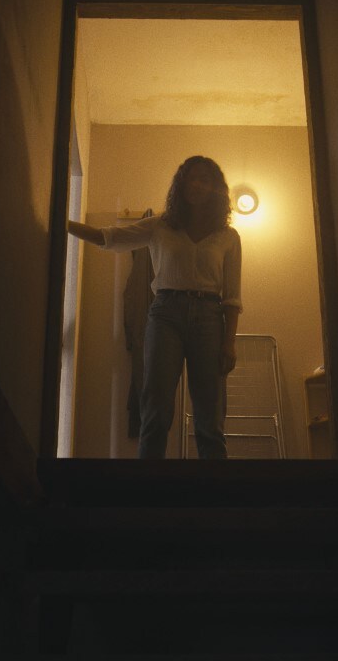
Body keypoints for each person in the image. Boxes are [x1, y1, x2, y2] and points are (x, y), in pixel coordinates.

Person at [67, 156, 242, 459]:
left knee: (210, 412)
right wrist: (62, 220)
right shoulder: (160, 225)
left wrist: (229, 342)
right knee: (156, 408)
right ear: (181, 184)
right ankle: (148, 490)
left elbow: (232, 296)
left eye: (204, 179)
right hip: (166, 315)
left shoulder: (228, 236)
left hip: (210, 318)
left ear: (215, 188)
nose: (197, 184)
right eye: (191, 178)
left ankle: (215, 493)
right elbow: (110, 238)